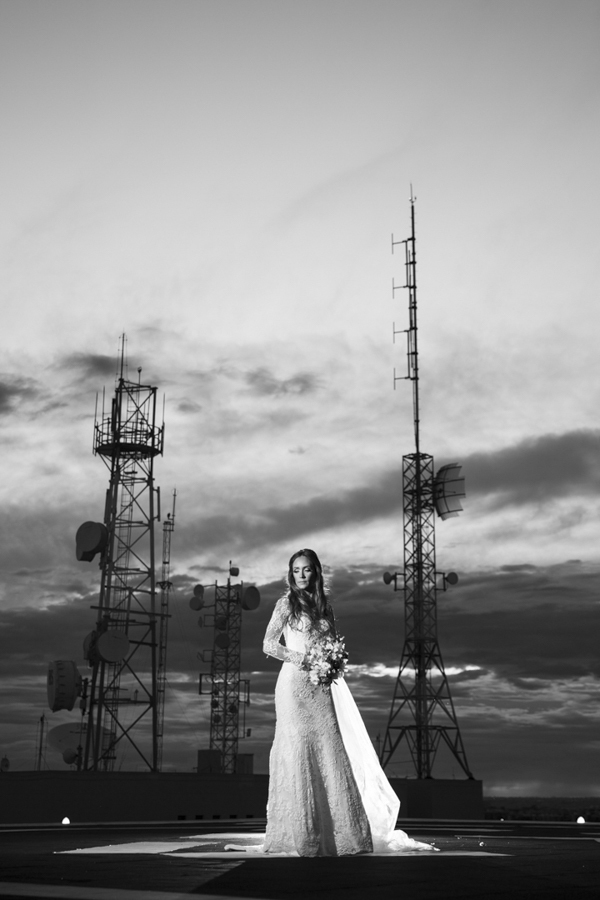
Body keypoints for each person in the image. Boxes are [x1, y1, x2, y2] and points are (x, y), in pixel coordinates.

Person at [261, 548, 434, 857]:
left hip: (321, 686)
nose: (301, 575)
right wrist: (303, 658)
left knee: (331, 747)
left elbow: (331, 646)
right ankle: (306, 835)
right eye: (296, 570)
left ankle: (343, 834)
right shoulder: (286, 604)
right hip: (293, 686)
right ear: (290, 574)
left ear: (316, 572)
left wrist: (332, 662)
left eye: (306, 569)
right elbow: (268, 644)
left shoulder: (324, 607)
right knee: (300, 748)